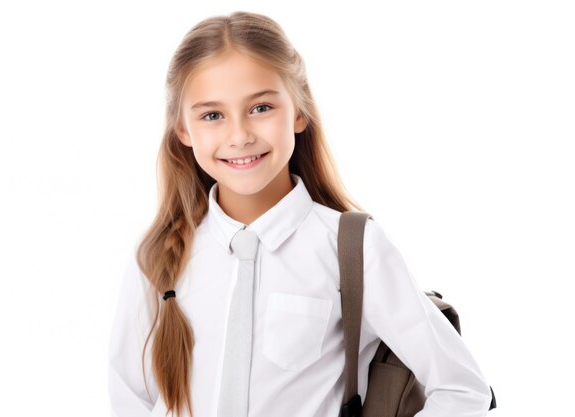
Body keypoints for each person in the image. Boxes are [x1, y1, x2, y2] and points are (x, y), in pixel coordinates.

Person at [108, 10, 493, 417]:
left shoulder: (352, 249)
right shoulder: (158, 258)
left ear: (298, 111)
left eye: (260, 108)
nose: (239, 135)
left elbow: (462, 388)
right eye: (212, 115)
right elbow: (129, 399)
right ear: (183, 130)